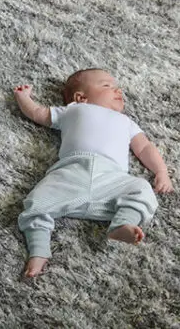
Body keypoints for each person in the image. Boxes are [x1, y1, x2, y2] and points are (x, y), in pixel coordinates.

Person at [14, 68, 174, 278]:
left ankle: (123, 223)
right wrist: (23, 98)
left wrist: (161, 171)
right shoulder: (72, 110)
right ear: (81, 97)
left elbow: (144, 148)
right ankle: (38, 250)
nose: (117, 90)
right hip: (71, 170)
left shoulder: (127, 122)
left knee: (142, 189)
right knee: (36, 201)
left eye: (117, 87)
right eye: (107, 86)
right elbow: (39, 113)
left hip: (111, 177)